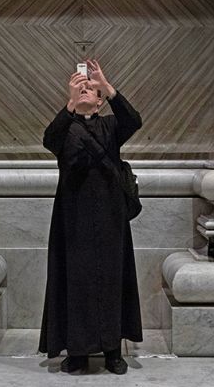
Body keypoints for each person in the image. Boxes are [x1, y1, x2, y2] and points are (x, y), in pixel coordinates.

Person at [38, 60, 143, 375]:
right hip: (73, 219)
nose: (85, 90)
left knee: (111, 280)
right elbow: (49, 140)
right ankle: (79, 352)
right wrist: (70, 102)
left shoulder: (111, 126)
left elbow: (133, 121)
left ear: (100, 101)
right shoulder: (66, 126)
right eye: (79, 87)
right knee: (76, 281)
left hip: (111, 217)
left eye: (90, 90)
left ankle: (113, 351)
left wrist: (108, 86)